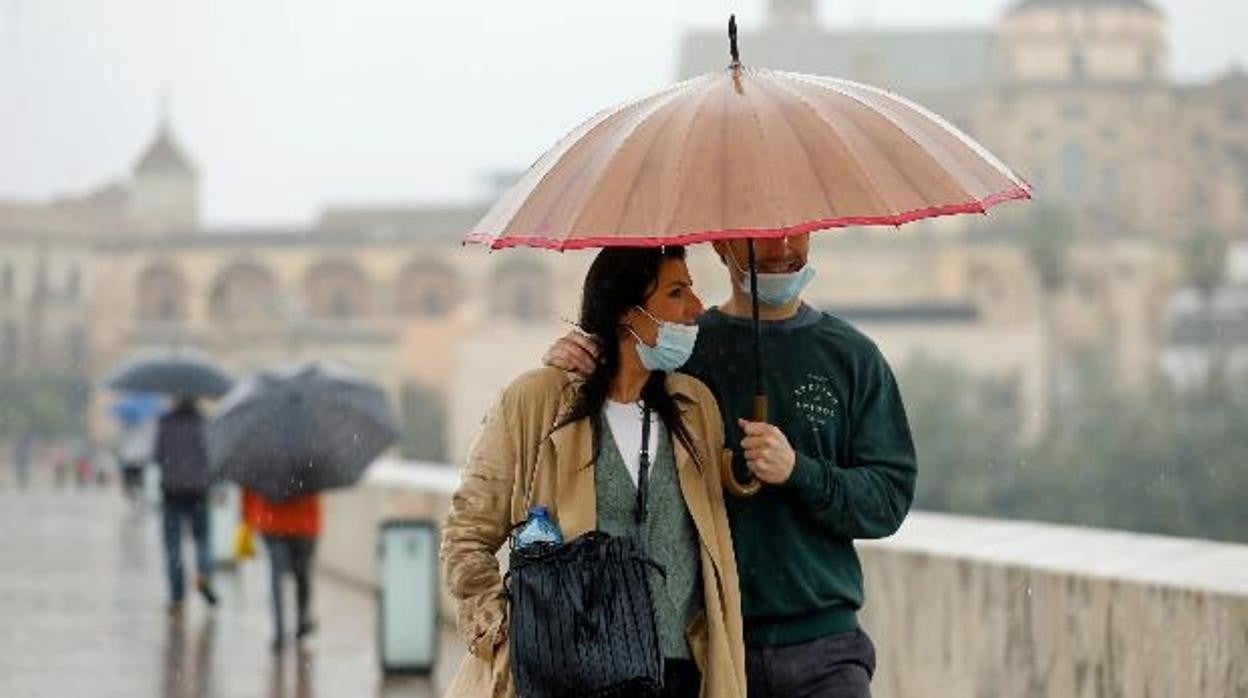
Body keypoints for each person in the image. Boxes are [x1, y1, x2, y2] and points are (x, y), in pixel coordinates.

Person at [546, 234, 917, 698]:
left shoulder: (851, 357)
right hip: (712, 652)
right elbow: (614, 421)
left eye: (794, 231)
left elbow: (888, 500)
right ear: (722, 247)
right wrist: (570, 368)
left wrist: (800, 471)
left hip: (825, 649)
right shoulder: (682, 351)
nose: (782, 248)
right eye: (761, 238)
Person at [442, 246, 747, 698]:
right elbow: (467, 535)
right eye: (677, 293)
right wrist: (507, 634)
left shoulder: (695, 406)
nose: (696, 308)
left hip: (681, 672)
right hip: (568, 675)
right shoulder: (536, 403)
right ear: (627, 312)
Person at [153, 396, 219, 613]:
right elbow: (213, 455)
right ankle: (203, 573)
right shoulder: (204, 422)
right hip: (199, 490)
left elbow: (157, 456)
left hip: (171, 490)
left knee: (173, 546)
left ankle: (177, 597)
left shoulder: (165, 422)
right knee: (202, 540)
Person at [241, 488, 321, 652]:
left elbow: (250, 488)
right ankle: (301, 620)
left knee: (277, 577)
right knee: (302, 575)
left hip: (273, 521)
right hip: (303, 521)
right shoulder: (308, 462)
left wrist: (247, 516)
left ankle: (279, 632)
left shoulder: (266, 463)